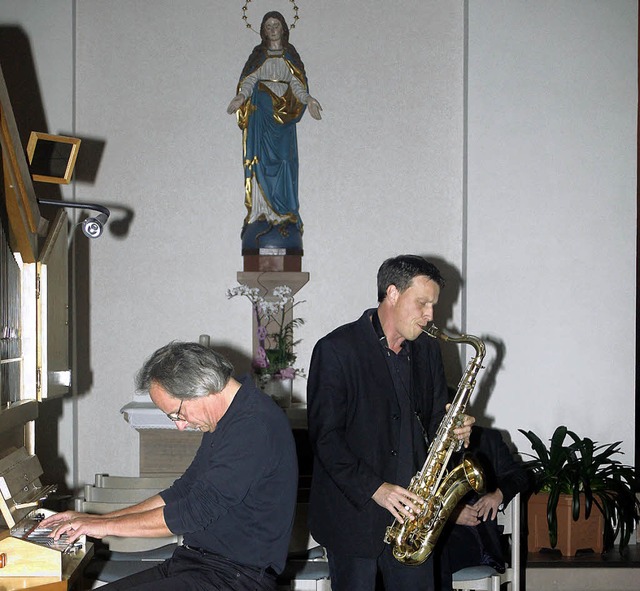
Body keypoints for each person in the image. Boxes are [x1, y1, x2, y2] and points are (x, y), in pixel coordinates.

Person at [41, 341, 298, 591]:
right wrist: (97, 519)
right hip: (198, 565)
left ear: (202, 387)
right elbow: (183, 491)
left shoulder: (253, 426)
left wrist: (103, 527)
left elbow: (193, 512)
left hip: (236, 578)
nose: (180, 425)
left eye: (177, 413)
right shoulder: (228, 418)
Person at [306, 254, 475, 591]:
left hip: (413, 518)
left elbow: (432, 420)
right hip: (354, 516)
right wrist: (376, 489)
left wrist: (455, 430)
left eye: (433, 305)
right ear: (393, 294)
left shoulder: (427, 349)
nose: (431, 314)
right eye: (422, 303)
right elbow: (326, 439)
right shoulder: (337, 350)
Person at [227, 11, 322, 245]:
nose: (272, 29)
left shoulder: (290, 55)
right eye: (268, 25)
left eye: (276, 25)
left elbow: (298, 85)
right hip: (262, 113)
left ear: (283, 29)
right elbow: (249, 80)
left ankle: (283, 215)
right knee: (260, 160)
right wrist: (240, 97)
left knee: (285, 163)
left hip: (283, 120)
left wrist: (309, 100)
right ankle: (262, 213)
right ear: (263, 30)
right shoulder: (258, 55)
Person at [436, 426, 530, 590]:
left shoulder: (488, 438)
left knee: (434, 559)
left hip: (477, 538)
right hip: (437, 534)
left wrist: (498, 494)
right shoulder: (424, 440)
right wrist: (449, 513)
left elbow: (521, 476)